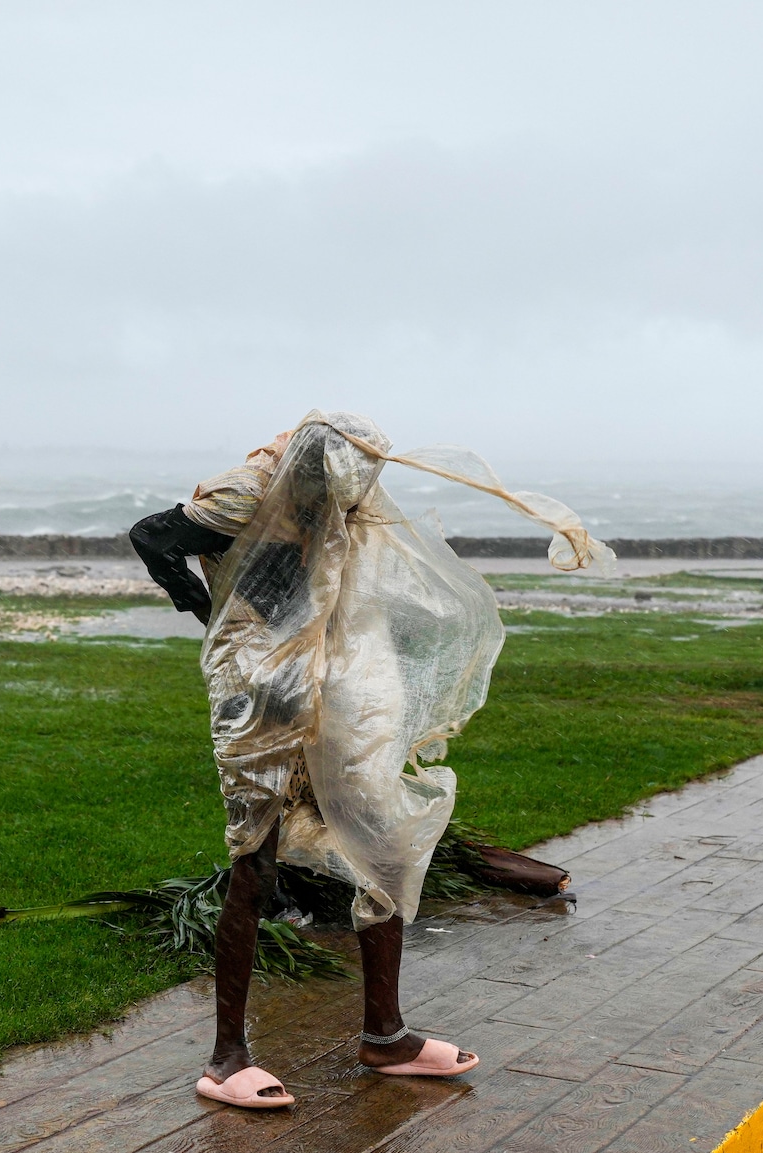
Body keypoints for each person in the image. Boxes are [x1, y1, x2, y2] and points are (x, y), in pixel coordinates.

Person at [130, 411, 611, 1110]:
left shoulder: (352, 494)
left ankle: (386, 1036)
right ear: (311, 467)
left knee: (382, 843)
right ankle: (226, 1056)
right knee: (255, 858)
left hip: (335, 675)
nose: (360, 491)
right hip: (260, 687)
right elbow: (152, 536)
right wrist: (219, 614)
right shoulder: (248, 493)